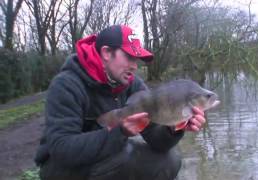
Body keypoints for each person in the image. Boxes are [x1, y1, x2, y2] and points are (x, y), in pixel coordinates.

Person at [34, 25, 207, 180]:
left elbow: (157, 141)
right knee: (125, 158)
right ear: (107, 53)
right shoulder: (66, 84)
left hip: (108, 154)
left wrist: (174, 126)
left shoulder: (132, 84)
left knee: (171, 160)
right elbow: (62, 149)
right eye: (130, 58)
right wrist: (119, 132)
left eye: (137, 60)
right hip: (60, 168)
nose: (134, 66)